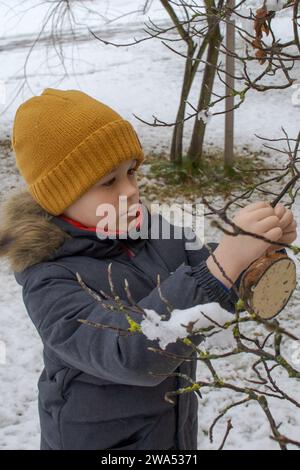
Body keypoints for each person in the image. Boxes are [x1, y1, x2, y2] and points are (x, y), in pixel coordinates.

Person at [0, 88, 296, 450]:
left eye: (132, 173)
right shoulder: (49, 280)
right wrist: (225, 264)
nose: (130, 191)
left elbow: (210, 276)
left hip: (170, 431)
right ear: (59, 196)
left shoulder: (154, 232)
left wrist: (255, 255)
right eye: (108, 181)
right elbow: (130, 354)